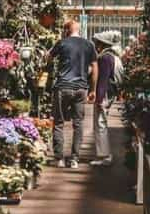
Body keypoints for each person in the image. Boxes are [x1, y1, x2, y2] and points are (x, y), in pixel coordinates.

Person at [47, 20, 97, 166]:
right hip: (81, 89)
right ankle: (74, 159)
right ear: (78, 30)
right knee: (78, 123)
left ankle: (59, 159)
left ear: (67, 30)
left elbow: (49, 58)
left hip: (63, 86)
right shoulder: (89, 45)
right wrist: (92, 89)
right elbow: (94, 67)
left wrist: (50, 71)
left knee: (59, 123)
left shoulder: (62, 43)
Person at [93, 39, 118, 163]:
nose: (96, 46)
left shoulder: (104, 58)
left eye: (97, 44)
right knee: (101, 122)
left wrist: (99, 98)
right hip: (109, 93)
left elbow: (103, 79)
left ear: (101, 45)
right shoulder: (112, 56)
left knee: (100, 123)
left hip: (105, 94)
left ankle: (105, 155)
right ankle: (104, 154)